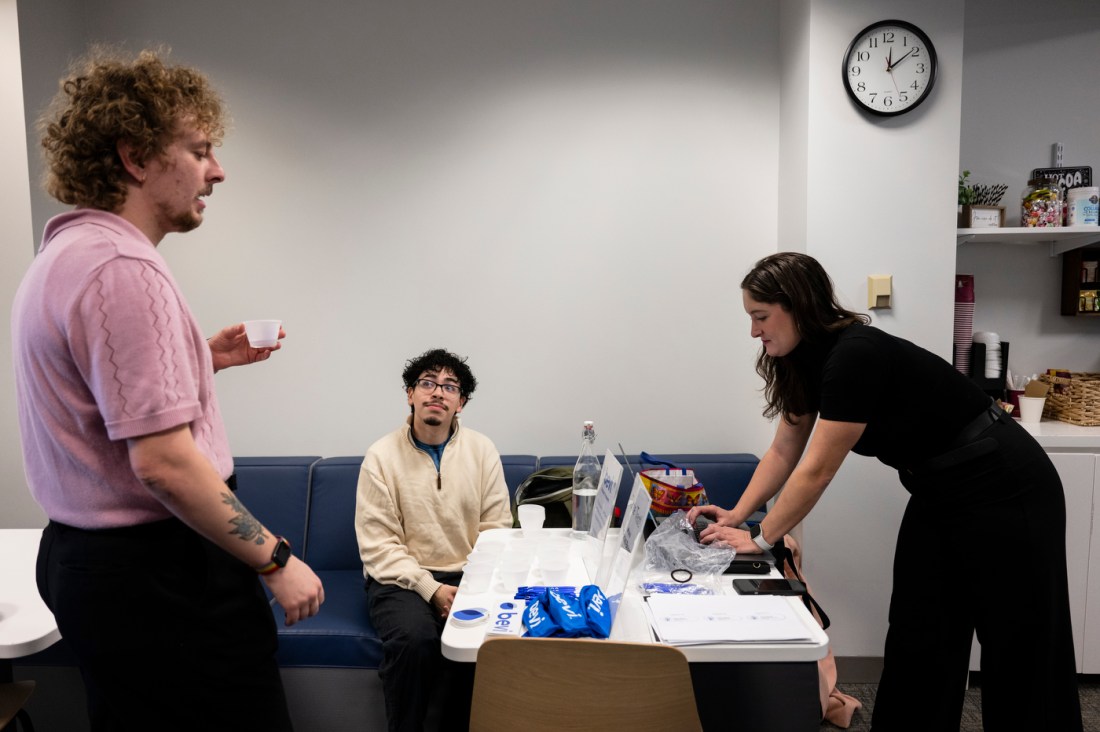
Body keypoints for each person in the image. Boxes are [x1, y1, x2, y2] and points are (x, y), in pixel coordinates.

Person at [11, 47, 324, 731]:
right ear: (135, 156)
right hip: (162, 577)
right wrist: (275, 559)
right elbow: (162, 463)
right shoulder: (123, 267)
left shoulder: (64, 255)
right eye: (200, 148)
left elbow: (95, 408)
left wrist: (198, 360)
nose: (217, 170)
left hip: (94, 567)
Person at [688, 252, 1082, 731]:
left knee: (1021, 643)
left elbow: (816, 471)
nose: (754, 331)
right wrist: (736, 515)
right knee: (920, 634)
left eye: (761, 317)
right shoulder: (798, 360)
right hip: (938, 489)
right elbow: (785, 451)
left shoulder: (856, 354)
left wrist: (761, 539)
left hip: (1004, 481)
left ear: (798, 306)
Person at [355, 348, 512, 732]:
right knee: (414, 641)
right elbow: (379, 545)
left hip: (469, 574)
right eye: (427, 383)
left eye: (449, 386)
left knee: (482, 646)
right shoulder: (380, 457)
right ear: (411, 394)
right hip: (400, 580)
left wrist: (472, 584)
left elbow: (497, 526)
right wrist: (431, 589)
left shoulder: (482, 450)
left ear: (462, 403)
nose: (437, 392)